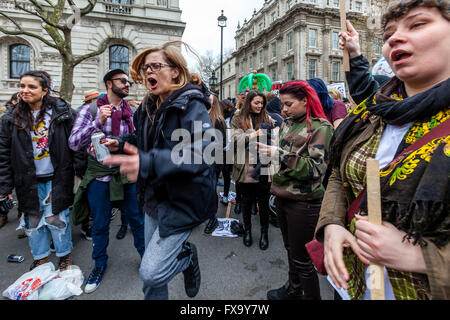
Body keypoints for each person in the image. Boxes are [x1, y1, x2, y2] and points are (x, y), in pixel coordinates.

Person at [315, 0, 450, 300]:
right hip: (354, 285)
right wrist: (333, 224)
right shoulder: (372, 111)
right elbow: (339, 173)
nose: (394, 38)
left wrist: (422, 258)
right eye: (389, 33)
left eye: (417, 24)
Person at [103, 41, 217, 300]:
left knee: (152, 272)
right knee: (152, 282)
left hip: (180, 202)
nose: (148, 73)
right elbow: (143, 138)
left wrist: (149, 162)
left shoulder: (191, 104)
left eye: (156, 66)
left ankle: (186, 259)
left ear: (175, 71)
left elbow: (204, 150)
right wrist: (121, 143)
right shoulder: (146, 106)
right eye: (145, 68)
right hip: (152, 198)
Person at [69, 68, 145, 294]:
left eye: (128, 81)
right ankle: (99, 265)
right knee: (100, 224)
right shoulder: (89, 109)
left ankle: (147, 261)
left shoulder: (130, 111)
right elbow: (73, 143)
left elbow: (138, 139)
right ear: (109, 84)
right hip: (100, 177)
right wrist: (97, 121)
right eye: (123, 80)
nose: (127, 84)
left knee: (137, 221)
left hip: (126, 174)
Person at [0, 71, 83, 271]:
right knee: (33, 220)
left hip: (57, 178)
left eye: (31, 87)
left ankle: (64, 255)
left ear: (45, 90)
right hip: (28, 180)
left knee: (57, 219)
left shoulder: (63, 113)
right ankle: (41, 257)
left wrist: (81, 171)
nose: (24, 91)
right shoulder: (10, 117)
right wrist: (4, 187)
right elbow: (3, 153)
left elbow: (77, 143)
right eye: (22, 86)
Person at [258, 81, 333, 300]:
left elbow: (315, 170)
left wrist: (278, 154)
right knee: (291, 250)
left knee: (303, 259)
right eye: (281, 105)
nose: (283, 110)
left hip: (305, 202)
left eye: (288, 104)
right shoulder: (288, 124)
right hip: (283, 197)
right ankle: (293, 289)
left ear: (305, 101)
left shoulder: (322, 128)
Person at [230, 90, 275, 250]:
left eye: (262, 103)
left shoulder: (267, 117)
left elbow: (274, 137)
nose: (260, 106)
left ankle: (264, 234)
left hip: (263, 167)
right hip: (244, 167)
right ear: (249, 102)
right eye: (256, 103)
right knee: (247, 202)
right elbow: (235, 139)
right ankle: (247, 231)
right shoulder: (237, 118)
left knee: (263, 204)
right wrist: (255, 133)